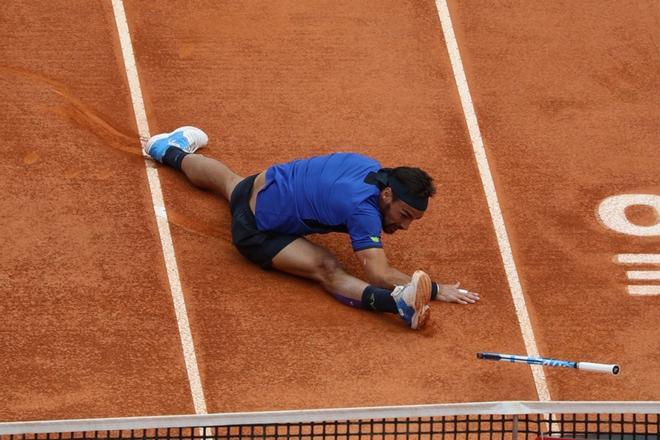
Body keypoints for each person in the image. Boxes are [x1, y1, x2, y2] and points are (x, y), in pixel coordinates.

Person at [144, 126, 479, 330]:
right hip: (258, 233)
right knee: (327, 268)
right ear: (387, 194)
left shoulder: (367, 165)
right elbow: (378, 272)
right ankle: (399, 306)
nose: (404, 226)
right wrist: (431, 289)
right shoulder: (362, 210)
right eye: (403, 215)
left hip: (264, 184)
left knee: (231, 183)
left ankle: (166, 150)